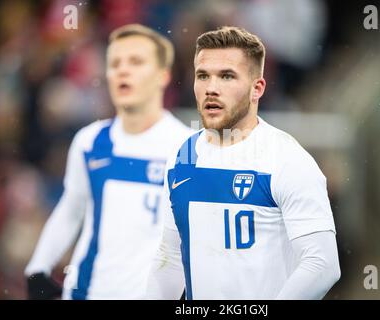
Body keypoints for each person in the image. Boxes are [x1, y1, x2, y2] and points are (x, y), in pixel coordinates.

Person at [146, 26, 340, 300]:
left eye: (227, 76)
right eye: (203, 76)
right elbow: (172, 256)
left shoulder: (287, 159)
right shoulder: (182, 156)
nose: (211, 88)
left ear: (257, 88)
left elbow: (323, 264)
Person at [25, 24, 192, 300]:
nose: (122, 71)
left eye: (136, 62)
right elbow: (71, 208)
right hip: (87, 292)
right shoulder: (90, 141)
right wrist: (38, 268)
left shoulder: (188, 148)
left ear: (163, 75)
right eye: (115, 63)